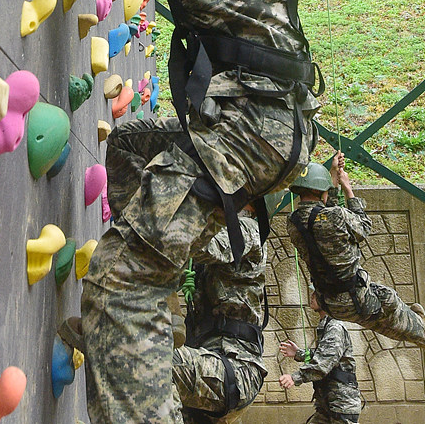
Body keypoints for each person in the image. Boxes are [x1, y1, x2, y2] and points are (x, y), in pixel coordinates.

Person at [57, 0, 321, 424]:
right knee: (137, 143)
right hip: (273, 123)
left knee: (119, 284)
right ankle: (150, 309)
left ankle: (136, 319)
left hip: (245, 126)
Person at [287, 152, 425, 347]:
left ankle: (418, 329)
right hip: (358, 299)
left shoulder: (292, 223)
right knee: (389, 302)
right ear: (321, 191)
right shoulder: (335, 216)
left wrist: (332, 178)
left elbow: (321, 217)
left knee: (384, 320)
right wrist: (347, 188)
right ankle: (418, 327)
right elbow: (363, 227)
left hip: (331, 303)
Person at [171, 205, 269, 424]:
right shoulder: (208, 251)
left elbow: (204, 246)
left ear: (252, 203)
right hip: (206, 363)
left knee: (158, 359)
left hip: (236, 368)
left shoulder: (249, 229)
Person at [279, 290, 362, 424]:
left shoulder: (335, 328)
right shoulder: (326, 325)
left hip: (342, 405)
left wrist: (294, 377)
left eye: (315, 293)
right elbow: (323, 355)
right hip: (327, 404)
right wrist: (299, 354)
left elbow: (323, 363)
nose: (311, 297)